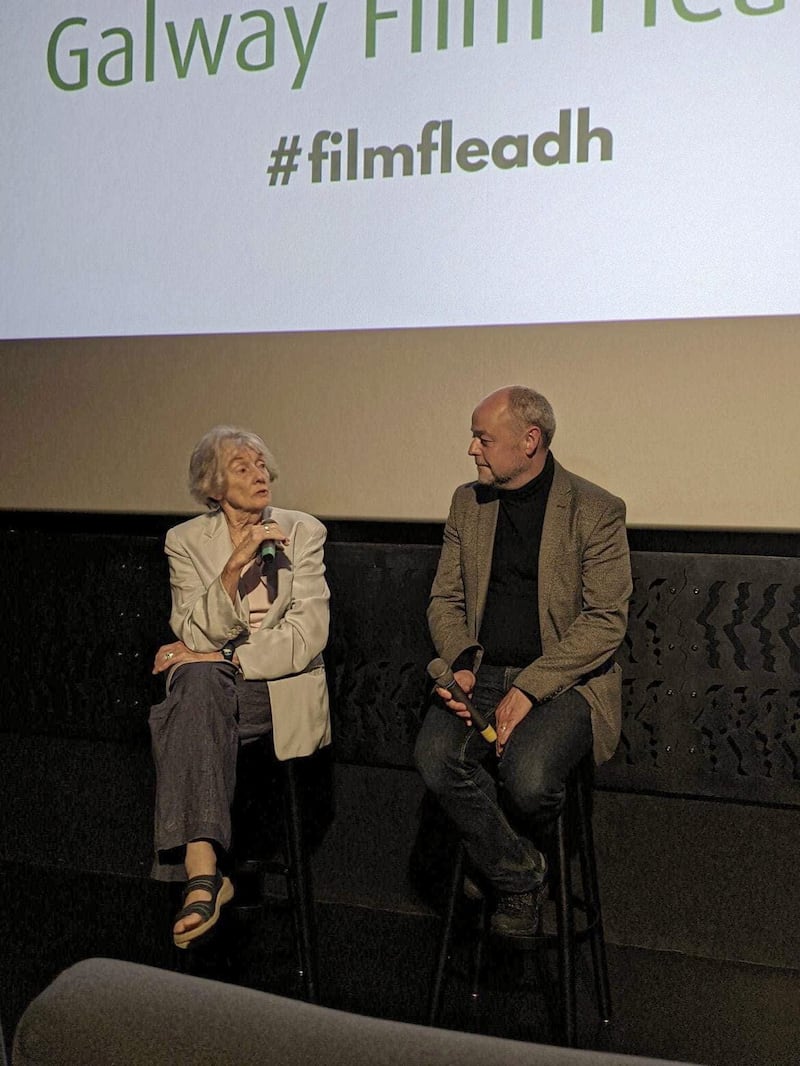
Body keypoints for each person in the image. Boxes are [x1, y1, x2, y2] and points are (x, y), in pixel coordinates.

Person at [415, 386, 632, 936]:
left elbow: (606, 619)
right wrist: (462, 660)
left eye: (484, 438)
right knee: (436, 758)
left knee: (529, 778)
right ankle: (519, 875)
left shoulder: (596, 510)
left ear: (529, 440)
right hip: (481, 674)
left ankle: (498, 865)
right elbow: (446, 599)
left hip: (565, 683)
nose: (472, 449)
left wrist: (530, 688)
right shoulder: (469, 503)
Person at [150, 426, 331, 948]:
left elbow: (306, 638)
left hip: (277, 692)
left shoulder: (302, 532)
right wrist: (233, 567)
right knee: (199, 686)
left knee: (190, 692)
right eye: (242, 467)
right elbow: (191, 630)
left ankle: (201, 872)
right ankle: (205, 875)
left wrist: (222, 656)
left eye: (261, 465)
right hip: (214, 694)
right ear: (213, 487)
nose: (259, 475)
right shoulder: (185, 542)